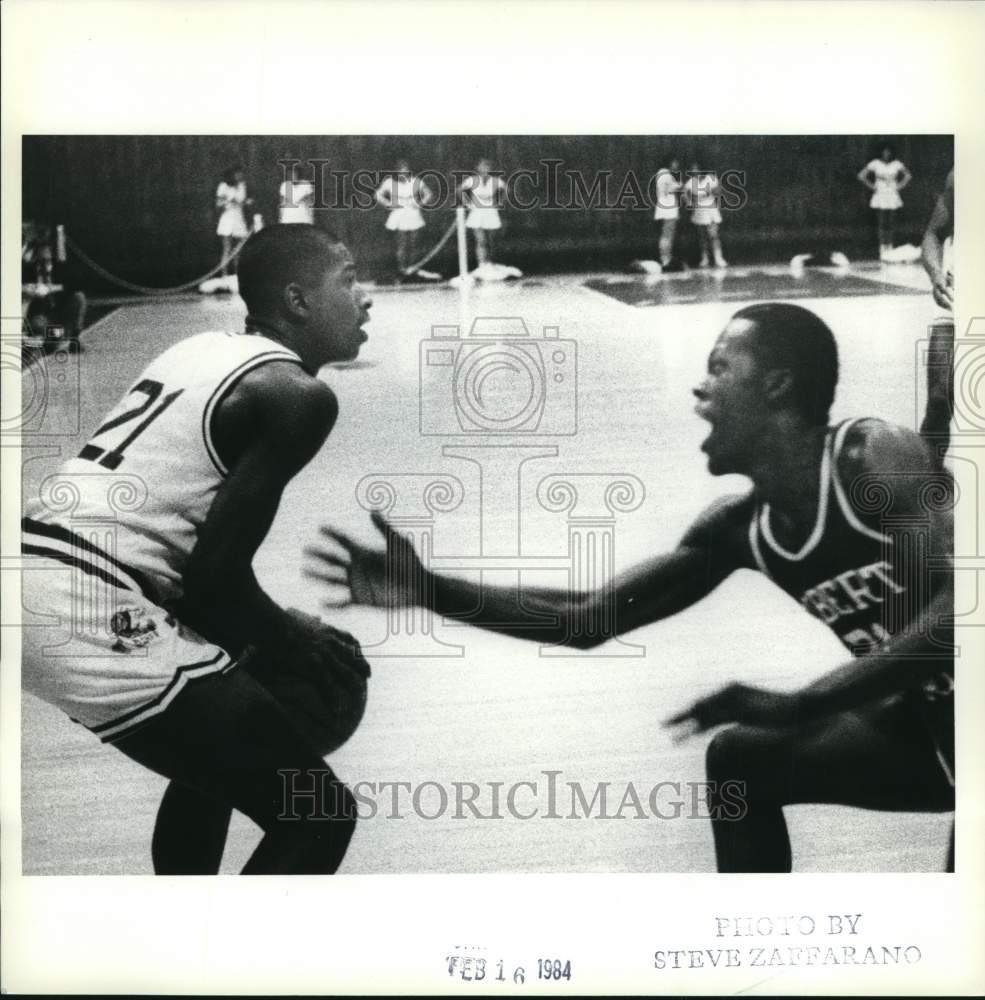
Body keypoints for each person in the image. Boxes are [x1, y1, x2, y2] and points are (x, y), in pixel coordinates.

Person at [308, 302, 954, 873]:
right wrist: (431, 590)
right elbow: (586, 621)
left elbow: (963, 613)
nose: (700, 388)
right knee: (741, 760)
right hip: (938, 729)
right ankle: (753, 958)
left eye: (721, 368)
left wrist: (799, 704)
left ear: (778, 386)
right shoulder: (738, 529)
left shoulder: (868, 454)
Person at [22, 224, 374, 875]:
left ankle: (185, 947)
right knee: (318, 812)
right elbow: (215, 580)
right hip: (85, 593)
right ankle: (223, 971)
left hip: (36, 565)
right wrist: (295, 637)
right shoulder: (299, 397)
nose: (367, 298)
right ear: (297, 301)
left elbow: (198, 587)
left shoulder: (202, 348)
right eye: (349, 279)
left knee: (210, 760)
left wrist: (247, 659)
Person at [920, 168, 954, 461]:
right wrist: (935, 274)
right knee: (939, 398)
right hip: (955, 302)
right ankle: (924, 487)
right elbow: (933, 233)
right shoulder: (962, 174)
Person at [22, 223, 87, 348]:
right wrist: (30, 288)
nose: (45, 264)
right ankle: (55, 338)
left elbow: (77, 284)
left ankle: (74, 336)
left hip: (61, 315)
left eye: (47, 260)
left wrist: (52, 288)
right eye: (41, 260)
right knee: (41, 327)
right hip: (44, 318)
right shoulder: (30, 271)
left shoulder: (60, 269)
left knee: (79, 297)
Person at [374, 159, 437, 280]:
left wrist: (420, 203)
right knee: (402, 244)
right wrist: (388, 204)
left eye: (406, 171)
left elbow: (428, 193)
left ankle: (413, 269)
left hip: (413, 214)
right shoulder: (389, 182)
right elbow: (377, 195)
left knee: (414, 243)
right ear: (397, 172)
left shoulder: (415, 181)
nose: (404, 173)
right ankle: (402, 270)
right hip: (399, 215)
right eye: (401, 171)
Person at [857, 144, 912, 261]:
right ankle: (882, 247)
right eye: (884, 152)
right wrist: (872, 186)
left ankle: (890, 246)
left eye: (888, 152)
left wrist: (899, 186)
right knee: (882, 222)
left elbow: (908, 175)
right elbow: (861, 175)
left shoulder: (896, 164)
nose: (886, 154)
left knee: (891, 222)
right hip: (881, 193)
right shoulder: (875, 163)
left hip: (892, 193)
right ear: (881, 153)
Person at [459, 158, 506, 269]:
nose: (485, 169)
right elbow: (459, 190)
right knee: (481, 240)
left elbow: (506, 190)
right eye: (482, 166)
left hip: (490, 211)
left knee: (491, 240)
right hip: (477, 212)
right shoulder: (471, 180)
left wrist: (499, 202)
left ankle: (490, 263)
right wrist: (468, 204)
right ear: (477, 168)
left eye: (487, 166)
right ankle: (481, 264)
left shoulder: (495, 181)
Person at [683, 162, 727, 268]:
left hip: (711, 209)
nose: (694, 171)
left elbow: (719, 191)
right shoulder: (690, 182)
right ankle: (705, 259)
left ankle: (718, 258)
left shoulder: (711, 178)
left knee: (713, 235)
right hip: (699, 211)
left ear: (701, 169)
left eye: (696, 169)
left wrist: (710, 192)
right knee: (702, 237)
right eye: (692, 169)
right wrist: (690, 203)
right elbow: (685, 196)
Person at [215, 166, 252, 276]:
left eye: (241, 173)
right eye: (237, 174)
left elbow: (243, 202)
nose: (240, 176)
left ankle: (237, 275)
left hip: (239, 218)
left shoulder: (242, 186)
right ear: (232, 175)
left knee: (239, 250)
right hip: (227, 218)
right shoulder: (223, 186)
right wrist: (228, 201)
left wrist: (246, 203)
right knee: (227, 248)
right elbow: (218, 204)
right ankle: (224, 275)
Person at [653, 156, 683, 270]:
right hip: (667, 207)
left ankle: (667, 258)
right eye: (675, 162)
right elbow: (667, 190)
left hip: (667, 206)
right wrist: (679, 185)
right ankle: (665, 259)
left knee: (668, 234)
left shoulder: (664, 174)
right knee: (667, 235)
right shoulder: (664, 173)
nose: (677, 165)